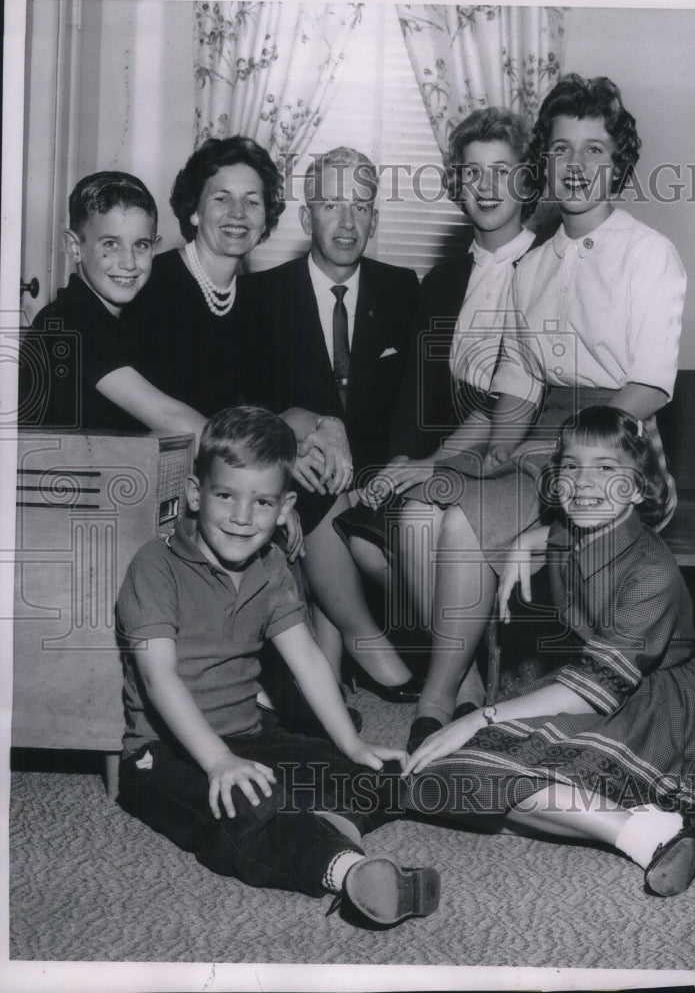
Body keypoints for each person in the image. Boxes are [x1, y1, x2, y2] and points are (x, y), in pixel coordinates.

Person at [398, 74, 687, 754]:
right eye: (562, 150)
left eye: (594, 150)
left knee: (466, 520)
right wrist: (490, 453)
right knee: (423, 510)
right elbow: (522, 382)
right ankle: (462, 680)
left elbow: (651, 384)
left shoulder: (650, 256)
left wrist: (562, 455)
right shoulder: (532, 266)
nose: (578, 167)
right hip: (536, 441)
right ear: (544, 164)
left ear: (618, 161)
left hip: (617, 446)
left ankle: (435, 704)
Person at [402, 406, 695, 899]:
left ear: (640, 484)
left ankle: (646, 836)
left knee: (480, 766)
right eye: (570, 466)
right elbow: (560, 532)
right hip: (584, 683)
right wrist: (526, 540)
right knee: (440, 782)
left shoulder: (654, 573)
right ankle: (664, 827)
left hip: (659, 708)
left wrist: (480, 719)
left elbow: (597, 691)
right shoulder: (578, 529)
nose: (583, 482)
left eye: (606, 468)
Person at [116, 406, 440, 925]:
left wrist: (351, 745)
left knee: (378, 775)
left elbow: (307, 657)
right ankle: (349, 871)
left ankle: (328, 821)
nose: (243, 516)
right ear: (196, 495)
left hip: (248, 732)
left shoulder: (271, 567)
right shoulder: (155, 567)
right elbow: (159, 678)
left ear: (284, 505)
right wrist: (219, 761)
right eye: (226, 496)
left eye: (262, 502)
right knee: (246, 811)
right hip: (165, 754)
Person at [338, 107, 545, 728]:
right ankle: (467, 676)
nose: (485, 187)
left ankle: (441, 689)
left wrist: (431, 467)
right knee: (370, 527)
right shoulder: (445, 277)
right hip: (456, 445)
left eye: (502, 171)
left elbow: (510, 405)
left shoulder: (546, 267)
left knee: (428, 515)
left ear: (528, 182)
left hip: (521, 447)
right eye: (471, 172)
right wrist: (400, 462)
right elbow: (417, 391)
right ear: (456, 183)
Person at [248, 146, 422, 700]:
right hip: (297, 461)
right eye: (330, 205)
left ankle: (324, 683)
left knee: (341, 488)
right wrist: (303, 441)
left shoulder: (401, 288)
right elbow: (250, 406)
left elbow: (411, 400)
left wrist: (394, 464)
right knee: (319, 476)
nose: (347, 222)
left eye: (362, 206)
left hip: (377, 468)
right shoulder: (263, 294)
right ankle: (364, 643)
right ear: (306, 217)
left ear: (374, 217)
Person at [18, 171, 206, 437]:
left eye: (140, 245)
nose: (128, 263)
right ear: (74, 247)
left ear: (155, 248)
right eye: (111, 244)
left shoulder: (127, 321)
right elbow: (171, 418)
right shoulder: (68, 322)